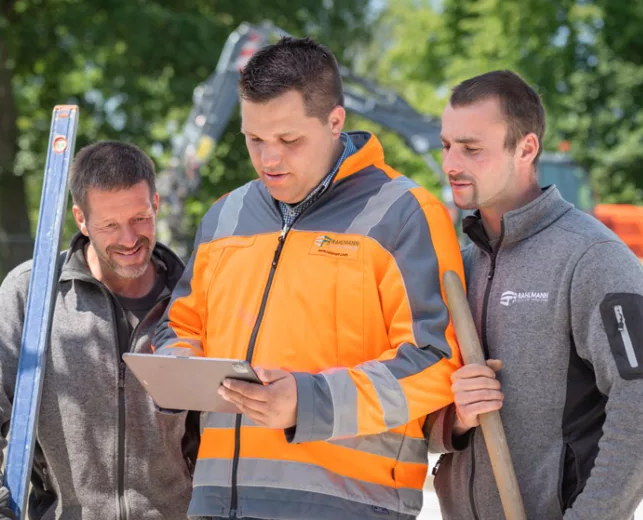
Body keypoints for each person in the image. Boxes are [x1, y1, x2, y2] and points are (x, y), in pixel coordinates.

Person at [148, 36, 466, 520]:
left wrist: (309, 402)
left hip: (350, 505)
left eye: (288, 140)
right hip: (215, 502)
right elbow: (181, 326)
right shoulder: (225, 215)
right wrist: (178, 364)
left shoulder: (404, 214)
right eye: (253, 139)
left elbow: (435, 362)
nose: (268, 159)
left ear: (335, 121)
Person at [428, 70, 643, 520]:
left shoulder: (594, 257)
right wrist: (459, 419)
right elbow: (427, 424)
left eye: (471, 148)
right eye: (447, 145)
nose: (451, 163)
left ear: (526, 148)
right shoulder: (458, 266)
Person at [0, 141, 199, 520]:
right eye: (110, 226)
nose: (130, 240)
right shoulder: (32, 293)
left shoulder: (193, 297)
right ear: (81, 220)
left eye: (140, 219)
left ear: (156, 204)